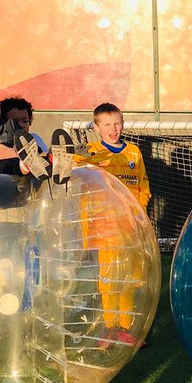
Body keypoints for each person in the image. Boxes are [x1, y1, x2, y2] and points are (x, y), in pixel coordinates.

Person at [73, 103, 152, 347]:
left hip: (129, 227)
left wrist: (136, 215)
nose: (113, 129)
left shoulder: (133, 152)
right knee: (109, 279)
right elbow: (73, 171)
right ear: (96, 127)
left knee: (128, 278)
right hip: (103, 228)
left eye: (117, 123)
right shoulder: (89, 152)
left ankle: (127, 329)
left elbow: (143, 188)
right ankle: (110, 328)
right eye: (107, 124)